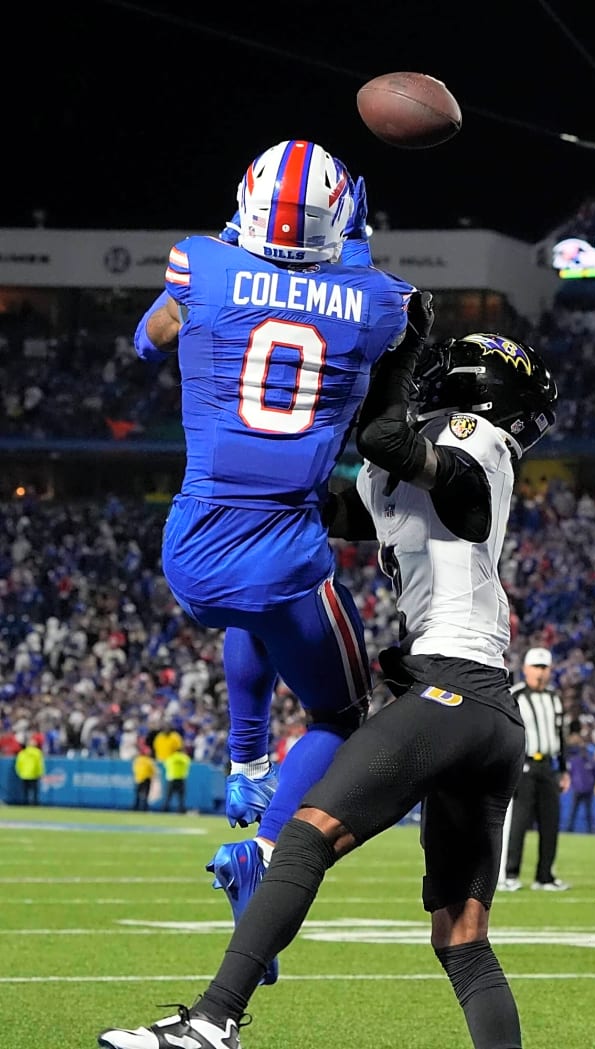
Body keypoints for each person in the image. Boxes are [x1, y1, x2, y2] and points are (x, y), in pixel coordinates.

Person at [97, 327, 559, 1049]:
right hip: (483, 712)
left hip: (452, 691)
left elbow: (383, 438)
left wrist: (399, 350)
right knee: (463, 941)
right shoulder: (417, 468)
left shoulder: (480, 446)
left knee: (304, 837)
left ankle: (213, 1022)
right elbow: (331, 507)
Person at [132, 138, 415, 978]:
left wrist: (230, 257)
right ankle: (260, 847)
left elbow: (149, 339)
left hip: (192, 544)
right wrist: (350, 240)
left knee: (247, 608)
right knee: (341, 714)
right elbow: (367, 299)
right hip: (286, 545)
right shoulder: (376, 301)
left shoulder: (201, 263)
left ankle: (248, 758)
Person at [499, 647, 571, 891]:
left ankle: (545, 876)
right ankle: (510, 874)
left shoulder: (554, 698)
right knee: (518, 822)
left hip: (548, 766)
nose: (540, 673)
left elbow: (560, 735)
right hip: (524, 765)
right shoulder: (515, 695)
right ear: (526, 669)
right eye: (536, 667)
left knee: (550, 822)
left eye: (544, 668)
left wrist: (563, 769)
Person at [565, 722, 595, 833]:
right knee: (573, 811)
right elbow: (570, 773)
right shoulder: (575, 760)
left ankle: (591, 830)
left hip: (587, 789)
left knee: (588, 812)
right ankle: (569, 829)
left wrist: (592, 783)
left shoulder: (589, 760)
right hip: (578, 788)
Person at [14, 738, 45, 805]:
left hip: (24, 774)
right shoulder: (37, 753)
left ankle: (25, 803)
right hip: (34, 774)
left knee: (25, 790)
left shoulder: (22, 753)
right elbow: (39, 764)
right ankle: (35, 803)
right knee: (35, 790)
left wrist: (19, 772)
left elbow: (18, 764)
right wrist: (40, 773)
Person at [162, 744, 192, 814]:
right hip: (181, 778)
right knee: (181, 797)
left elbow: (165, 765)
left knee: (168, 796)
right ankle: (181, 810)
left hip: (171, 778)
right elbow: (188, 765)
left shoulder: (171, 757)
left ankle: (165, 809)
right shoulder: (185, 758)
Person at [132, 744, 156, 812]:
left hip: (138, 779)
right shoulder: (148, 760)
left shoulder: (137, 760)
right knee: (145, 795)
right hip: (146, 779)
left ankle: (135, 808)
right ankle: (144, 808)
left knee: (137, 795)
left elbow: (134, 769)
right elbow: (153, 770)